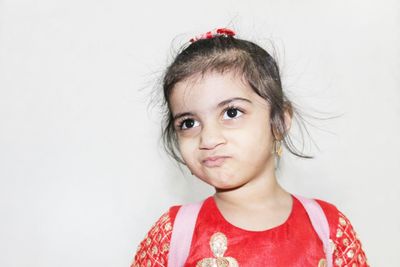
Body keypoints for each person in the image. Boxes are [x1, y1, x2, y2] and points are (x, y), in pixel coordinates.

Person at [131, 28, 368, 267]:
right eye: (189, 123)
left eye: (231, 112)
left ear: (279, 121)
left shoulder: (329, 229)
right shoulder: (173, 235)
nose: (208, 139)